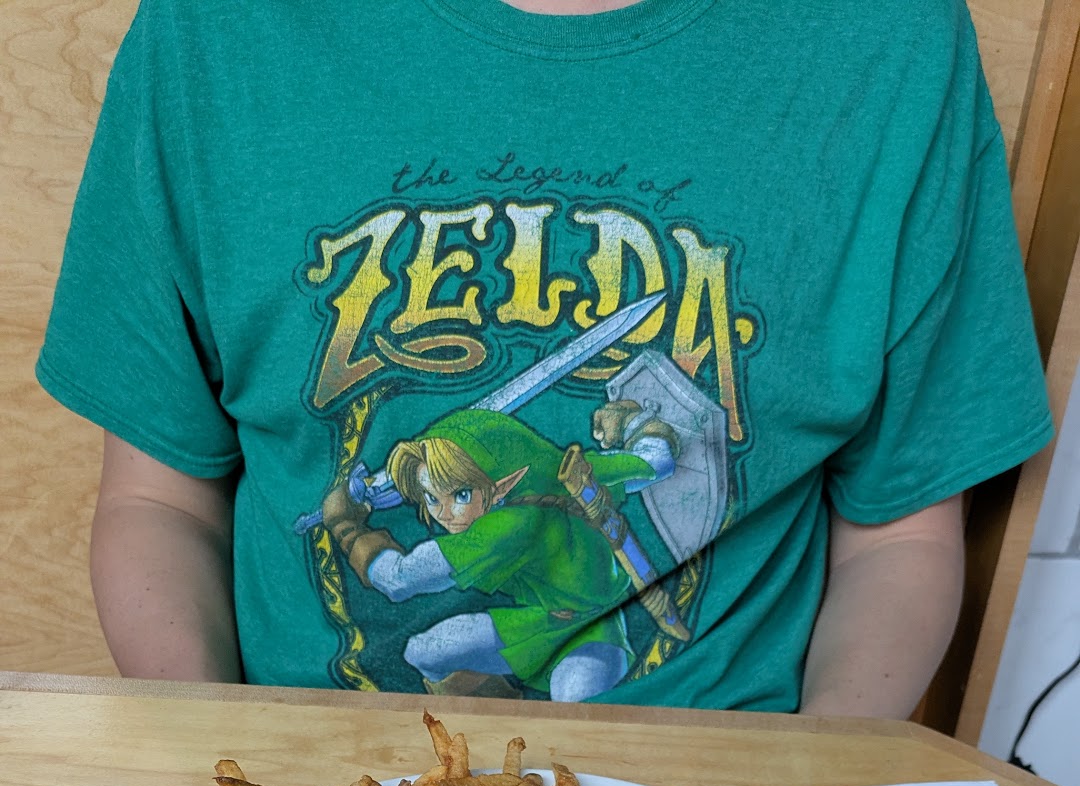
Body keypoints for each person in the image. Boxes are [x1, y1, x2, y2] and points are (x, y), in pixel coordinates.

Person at [37, 0, 1053, 715]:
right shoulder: (213, 31)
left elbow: (898, 540)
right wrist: (218, 779)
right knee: (437, 649)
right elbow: (160, 502)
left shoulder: (891, 41)